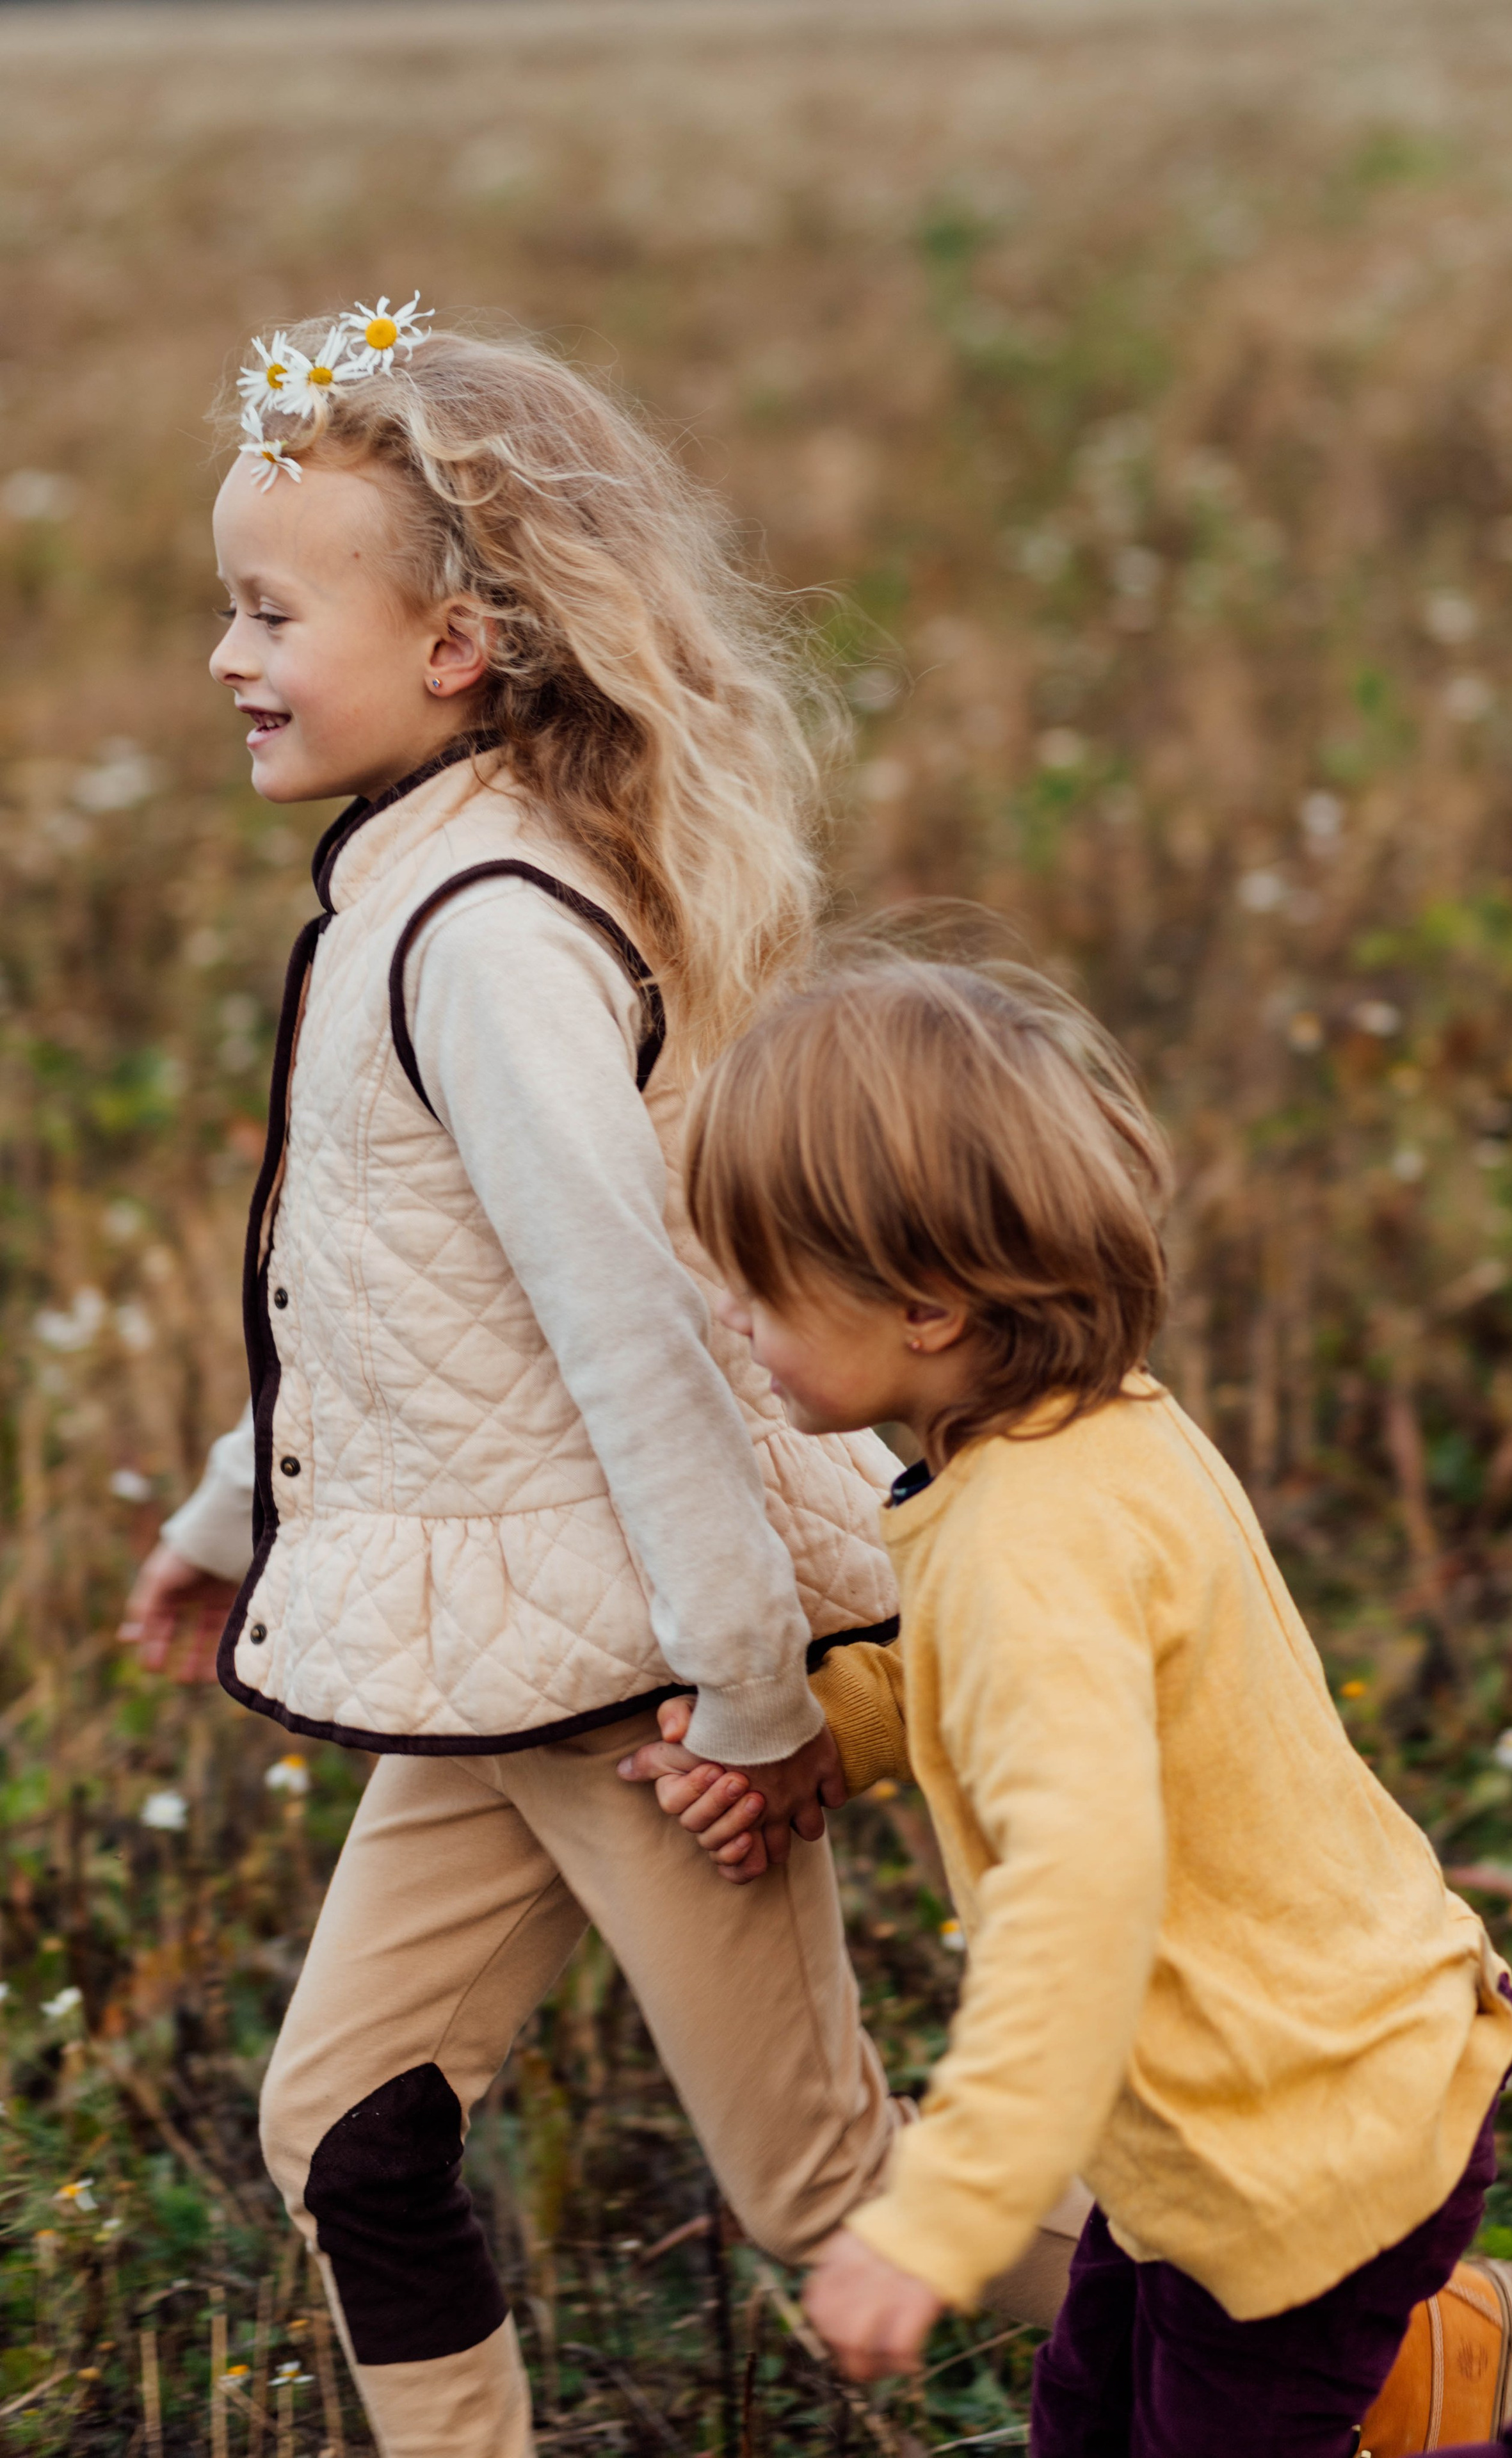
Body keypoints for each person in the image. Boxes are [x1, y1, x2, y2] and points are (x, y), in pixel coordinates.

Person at [117, 308, 1077, 2458]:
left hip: (648, 1671)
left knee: (831, 2184)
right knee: (347, 2123)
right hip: (523, 1638)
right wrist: (222, 1517)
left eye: (271, 611)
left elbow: (632, 1333)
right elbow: (402, 1324)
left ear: (458, 642)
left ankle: (1382, 2345)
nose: (223, 656)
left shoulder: (484, 932)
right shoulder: (429, 884)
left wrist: (753, 1699)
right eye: (225, 605)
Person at [620, 955, 1512, 2458]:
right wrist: (826, 1735)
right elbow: (1004, 1677)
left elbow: (1077, 1899)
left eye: (763, 1283)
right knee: (1088, 2420)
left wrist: (941, 2215)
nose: (733, 1313)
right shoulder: (1076, 1437)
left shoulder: (1032, 1537)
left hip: (1307, 2150)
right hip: (1245, 2120)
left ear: (922, 1303)